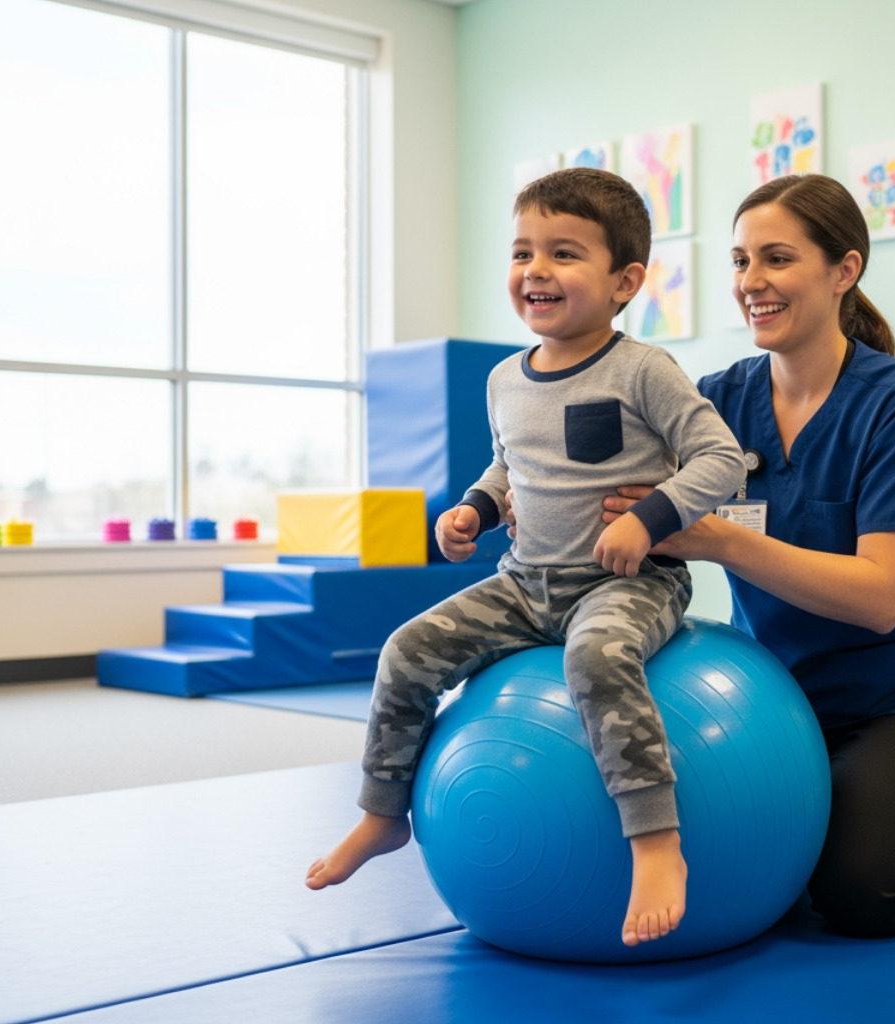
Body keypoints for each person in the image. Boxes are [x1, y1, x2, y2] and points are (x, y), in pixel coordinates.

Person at [305, 168, 746, 949]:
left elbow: (722, 459)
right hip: (523, 581)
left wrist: (649, 519)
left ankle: (654, 842)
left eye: (564, 254)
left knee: (597, 660)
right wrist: (476, 507)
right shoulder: (505, 378)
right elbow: (509, 467)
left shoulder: (643, 369)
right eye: (522, 252)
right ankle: (381, 815)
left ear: (624, 282)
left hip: (629, 581)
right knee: (406, 649)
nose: (535, 270)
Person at [601, 173, 895, 937]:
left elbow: (882, 596)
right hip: (773, 702)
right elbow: (617, 493)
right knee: (721, 863)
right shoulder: (716, 402)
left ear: (844, 270)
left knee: (860, 892)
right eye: (738, 261)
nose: (750, 283)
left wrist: (724, 539)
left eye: (777, 259)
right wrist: (503, 500)